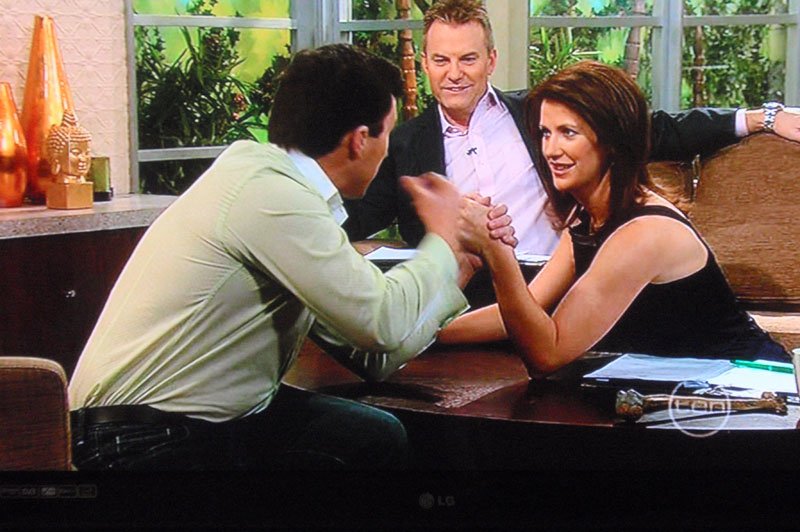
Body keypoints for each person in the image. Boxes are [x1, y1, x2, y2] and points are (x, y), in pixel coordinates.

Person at [68, 44, 486, 470]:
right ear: (360, 140)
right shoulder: (270, 194)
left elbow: (374, 355)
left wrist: (458, 261)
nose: (388, 151)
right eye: (387, 135)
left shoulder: (281, 187)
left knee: (371, 435)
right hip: (137, 438)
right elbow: (380, 322)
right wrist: (442, 236)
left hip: (194, 423)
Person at [343, 0, 800, 256]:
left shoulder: (539, 115)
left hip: (555, 281)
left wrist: (762, 117)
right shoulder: (403, 144)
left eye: (468, 59)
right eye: (441, 60)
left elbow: (651, 129)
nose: (454, 74)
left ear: (491, 61)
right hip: (460, 297)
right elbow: (354, 220)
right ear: (425, 64)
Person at [438, 60, 790, 375]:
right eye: (546, 133)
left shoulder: (645, 234)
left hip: (749, 390)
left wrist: (497, 252)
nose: (550, 150)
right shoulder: (588, 217)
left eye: (568, 133)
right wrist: (427, 336)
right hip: (677, 389)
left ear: (612, 141)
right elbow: (523, 309)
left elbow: (547, 353)